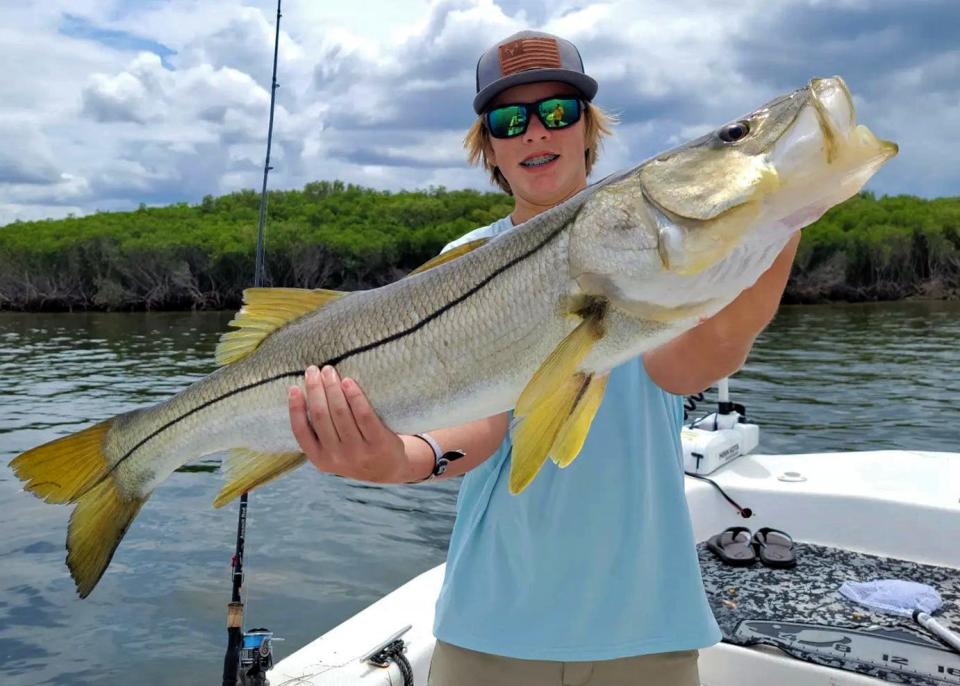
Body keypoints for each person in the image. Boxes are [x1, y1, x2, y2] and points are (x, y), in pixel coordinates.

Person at [286, 29, 800, 686]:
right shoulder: (466, 260)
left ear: (588, 128)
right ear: (489, 147)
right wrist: (398, 458)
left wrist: (778, 221)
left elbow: (684, 369)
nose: (535, 132)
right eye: (508, 119)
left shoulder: (653, 237)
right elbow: (480, 422)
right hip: (491, 627)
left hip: (648, 629)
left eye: (557, 111)